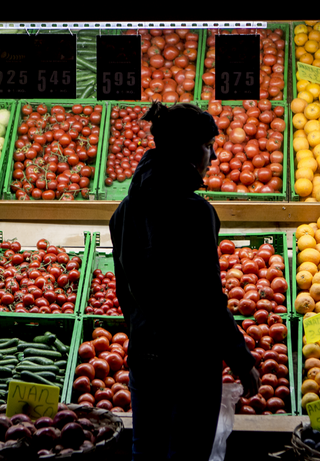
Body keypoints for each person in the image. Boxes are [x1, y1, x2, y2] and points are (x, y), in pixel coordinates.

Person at [109, 101, 260, 460]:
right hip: (191, 357)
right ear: (191, 151)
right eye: (208, 145)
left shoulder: (126, 208)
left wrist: (142, 328)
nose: (213, 155)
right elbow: (207, 297)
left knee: (146, 450)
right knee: (188, 453)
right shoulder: (194, 212)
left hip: (146, 351)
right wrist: (240, 359)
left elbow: (124, 289)